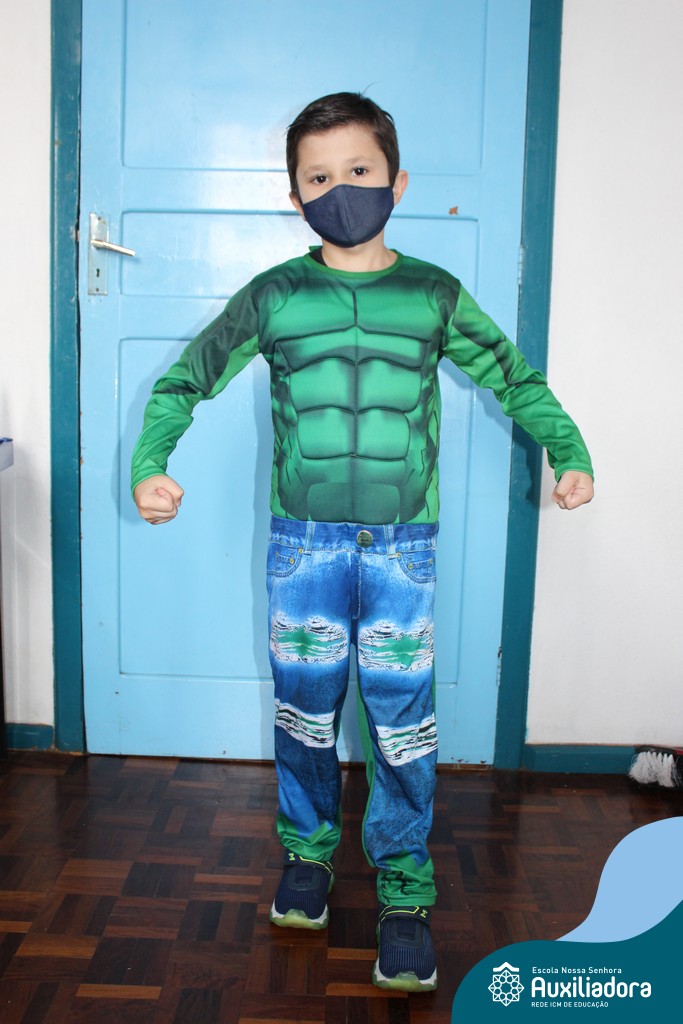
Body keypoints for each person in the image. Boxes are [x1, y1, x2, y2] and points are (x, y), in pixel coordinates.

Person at [131, 92, 594, 992]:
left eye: (357, 171)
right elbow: (185, 380)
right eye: (317, 177)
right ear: (294, 195)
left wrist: (566, 449)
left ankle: (405, 892)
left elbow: (512, 377)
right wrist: (151, 464)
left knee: (402, 726)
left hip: (400, 554)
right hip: (301, 549)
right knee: (304, 713)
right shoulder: (274, 295)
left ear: (396, 181)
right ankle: (306, 856)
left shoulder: (431, 293)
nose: (338, 189)